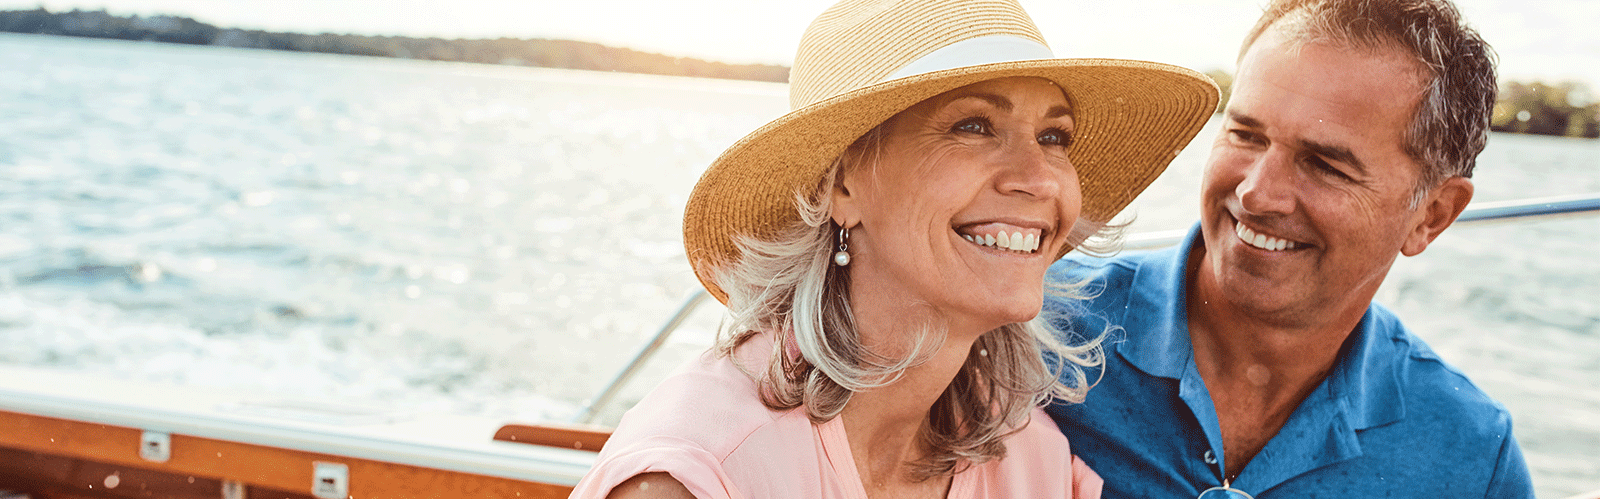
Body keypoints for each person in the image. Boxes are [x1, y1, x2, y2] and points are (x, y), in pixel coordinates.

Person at [566, 0, 1217, 497]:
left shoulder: (1029, 457)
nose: (1040, 176)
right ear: (841, 185)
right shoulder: (703, 471)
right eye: (973, 125)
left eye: (1054, 136)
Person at [1043, 0, 1535, 497]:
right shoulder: (1031, 329)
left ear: (1432, 215)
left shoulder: (1472, 455)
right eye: (1245, 134)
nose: (1257, 192)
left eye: (1325, 164)